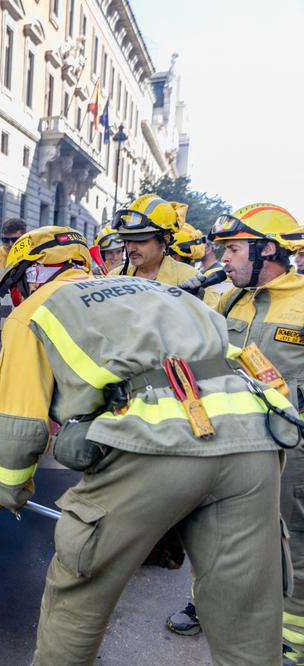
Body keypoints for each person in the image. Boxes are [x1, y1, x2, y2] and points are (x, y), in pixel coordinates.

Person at [0, 225, 299, 664]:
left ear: (33, 274)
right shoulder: (159, 293)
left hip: (157, 446)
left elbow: (19, 424)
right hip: (252, 447)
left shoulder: (35, 310)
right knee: (246, 619)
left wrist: (2, 489)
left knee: (77, 590)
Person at [165, 204, 304, 664]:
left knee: (293, 541)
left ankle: (293, 637)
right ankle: (207, 606)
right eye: (222, 249)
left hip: (292, 449)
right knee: (214, 530)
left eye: (234, 249)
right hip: (229, 441)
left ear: (268, 250)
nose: (223, 258)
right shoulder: (229, 300)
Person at [108, 195, 202, 285]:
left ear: (165, 240)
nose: (131, 248)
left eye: (140, 241)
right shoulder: (114, 277)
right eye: (127, 240)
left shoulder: (189, 277)